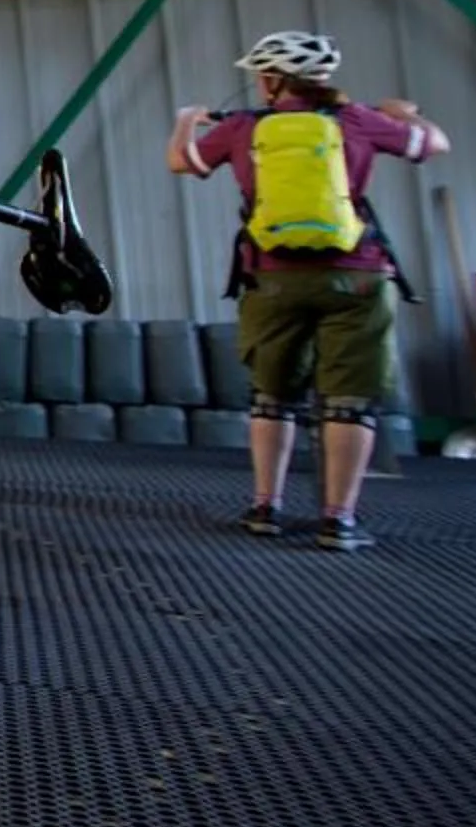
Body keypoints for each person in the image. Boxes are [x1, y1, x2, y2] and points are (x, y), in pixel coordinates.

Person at [168, 30, 449, 551]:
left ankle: (264, 508)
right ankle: (337, 520)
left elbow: (183, 162)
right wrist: (404, 113)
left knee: (271, 397)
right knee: (348, 402)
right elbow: (433, 144)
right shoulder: (357, 121)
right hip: (358, 276)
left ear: (272, 80)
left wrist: (190, 119)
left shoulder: (244, 128)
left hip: (272, 277)